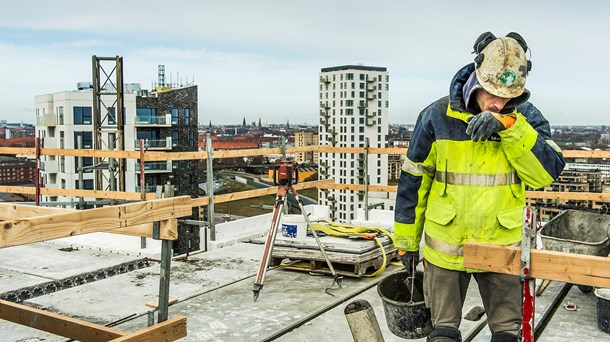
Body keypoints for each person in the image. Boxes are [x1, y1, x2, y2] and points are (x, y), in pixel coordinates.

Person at [393, 32, 565, 342]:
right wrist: (406, 241)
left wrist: (511, 128)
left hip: (501, 248)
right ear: (476, 79)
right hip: (446, 246)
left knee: (505, 334)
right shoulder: (437, 116)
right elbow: (413, 181)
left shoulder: (525, 117)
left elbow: (546, 173)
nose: (499, 103)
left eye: (508, 97)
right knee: (442, 333)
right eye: (492, 94)